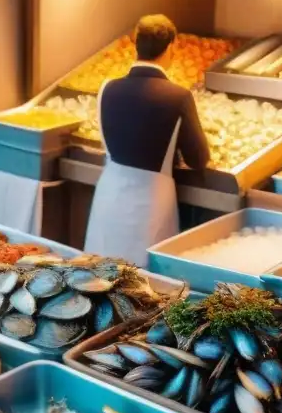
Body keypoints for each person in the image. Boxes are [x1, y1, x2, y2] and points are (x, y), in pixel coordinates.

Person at [83, 15, 210, 266]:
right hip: (151, 203)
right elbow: (199, 158)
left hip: (110, 195)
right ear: (171, 47)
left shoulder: (107, 88)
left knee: (97, 275)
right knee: (146, 286)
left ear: (135, 45)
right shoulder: (179, 96)